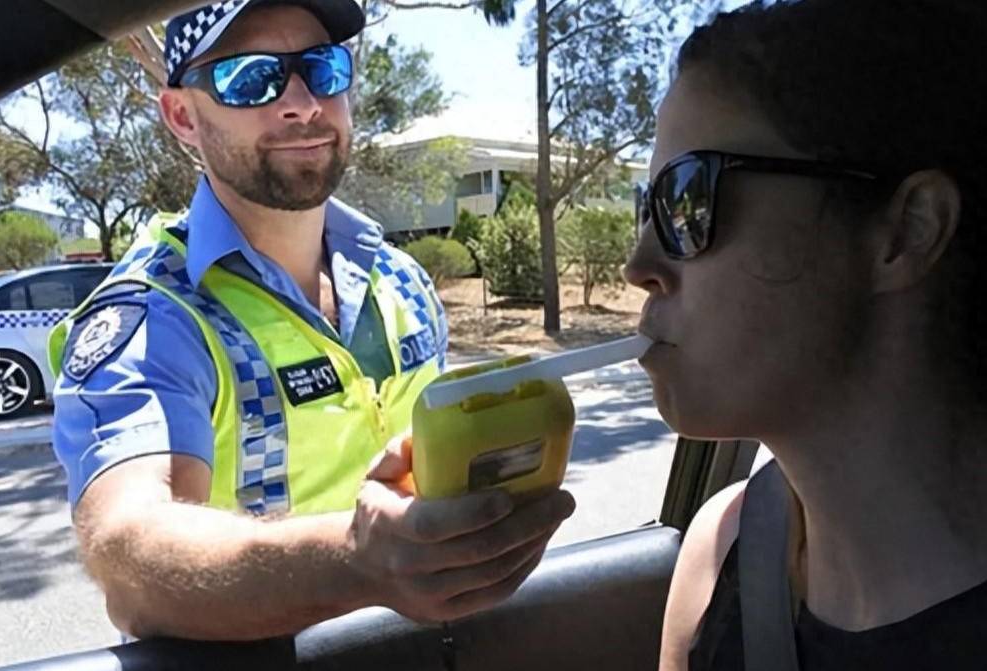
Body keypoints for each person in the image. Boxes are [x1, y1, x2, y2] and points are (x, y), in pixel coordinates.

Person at [49, 0, 574, 641]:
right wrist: (357, 560)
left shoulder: (400, 280)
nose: (302, 102)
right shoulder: (154, 315)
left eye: (323, 70)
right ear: (182, 115)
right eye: (250, 78)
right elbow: (131, 556)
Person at [623, 0, 987, 669]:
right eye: (645, 210)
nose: (639, 266)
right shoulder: (719, 548)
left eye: (689, 200)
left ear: (907, 229)